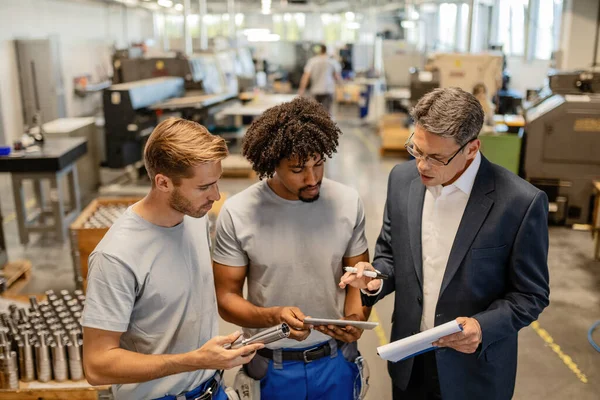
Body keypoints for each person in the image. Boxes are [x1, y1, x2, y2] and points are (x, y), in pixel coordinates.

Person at [340, 88, 550, 400]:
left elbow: (531, 295)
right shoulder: (401, 180)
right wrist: (373, 279)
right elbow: (390, 254)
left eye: (436, 158)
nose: (422, 166)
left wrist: (482, 328)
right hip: (409, 362)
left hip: (473, 372)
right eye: (417, 150)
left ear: (471, 148)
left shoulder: (519, 203)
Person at [82, 118, 264, 400]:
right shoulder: (117, 256)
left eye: (216, 183)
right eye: (204, 187)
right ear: (163, 182)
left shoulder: (195, 220)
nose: (215, 196)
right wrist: (196, 359)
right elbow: (97, 366)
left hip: (211, 389)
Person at [213, 97, 370, 400]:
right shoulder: (238, 212)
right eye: (298, 169)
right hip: (272, 367)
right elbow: (226, 299)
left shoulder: (348, 202)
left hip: (336, 362)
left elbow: (358, 278)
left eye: (319, 164)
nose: (312, 179)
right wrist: (274, 316)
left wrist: (355, 317)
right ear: (272, 164)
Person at [298, 44, 342, 113]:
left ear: (319, 51)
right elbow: (337, 76)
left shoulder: (312, 61)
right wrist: (341, 86)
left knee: (315, 113)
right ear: (326, 50)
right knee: (327, 113)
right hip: (328, 90)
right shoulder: (332, 61)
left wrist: (301, 89)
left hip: (316, 90)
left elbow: (306, 76)